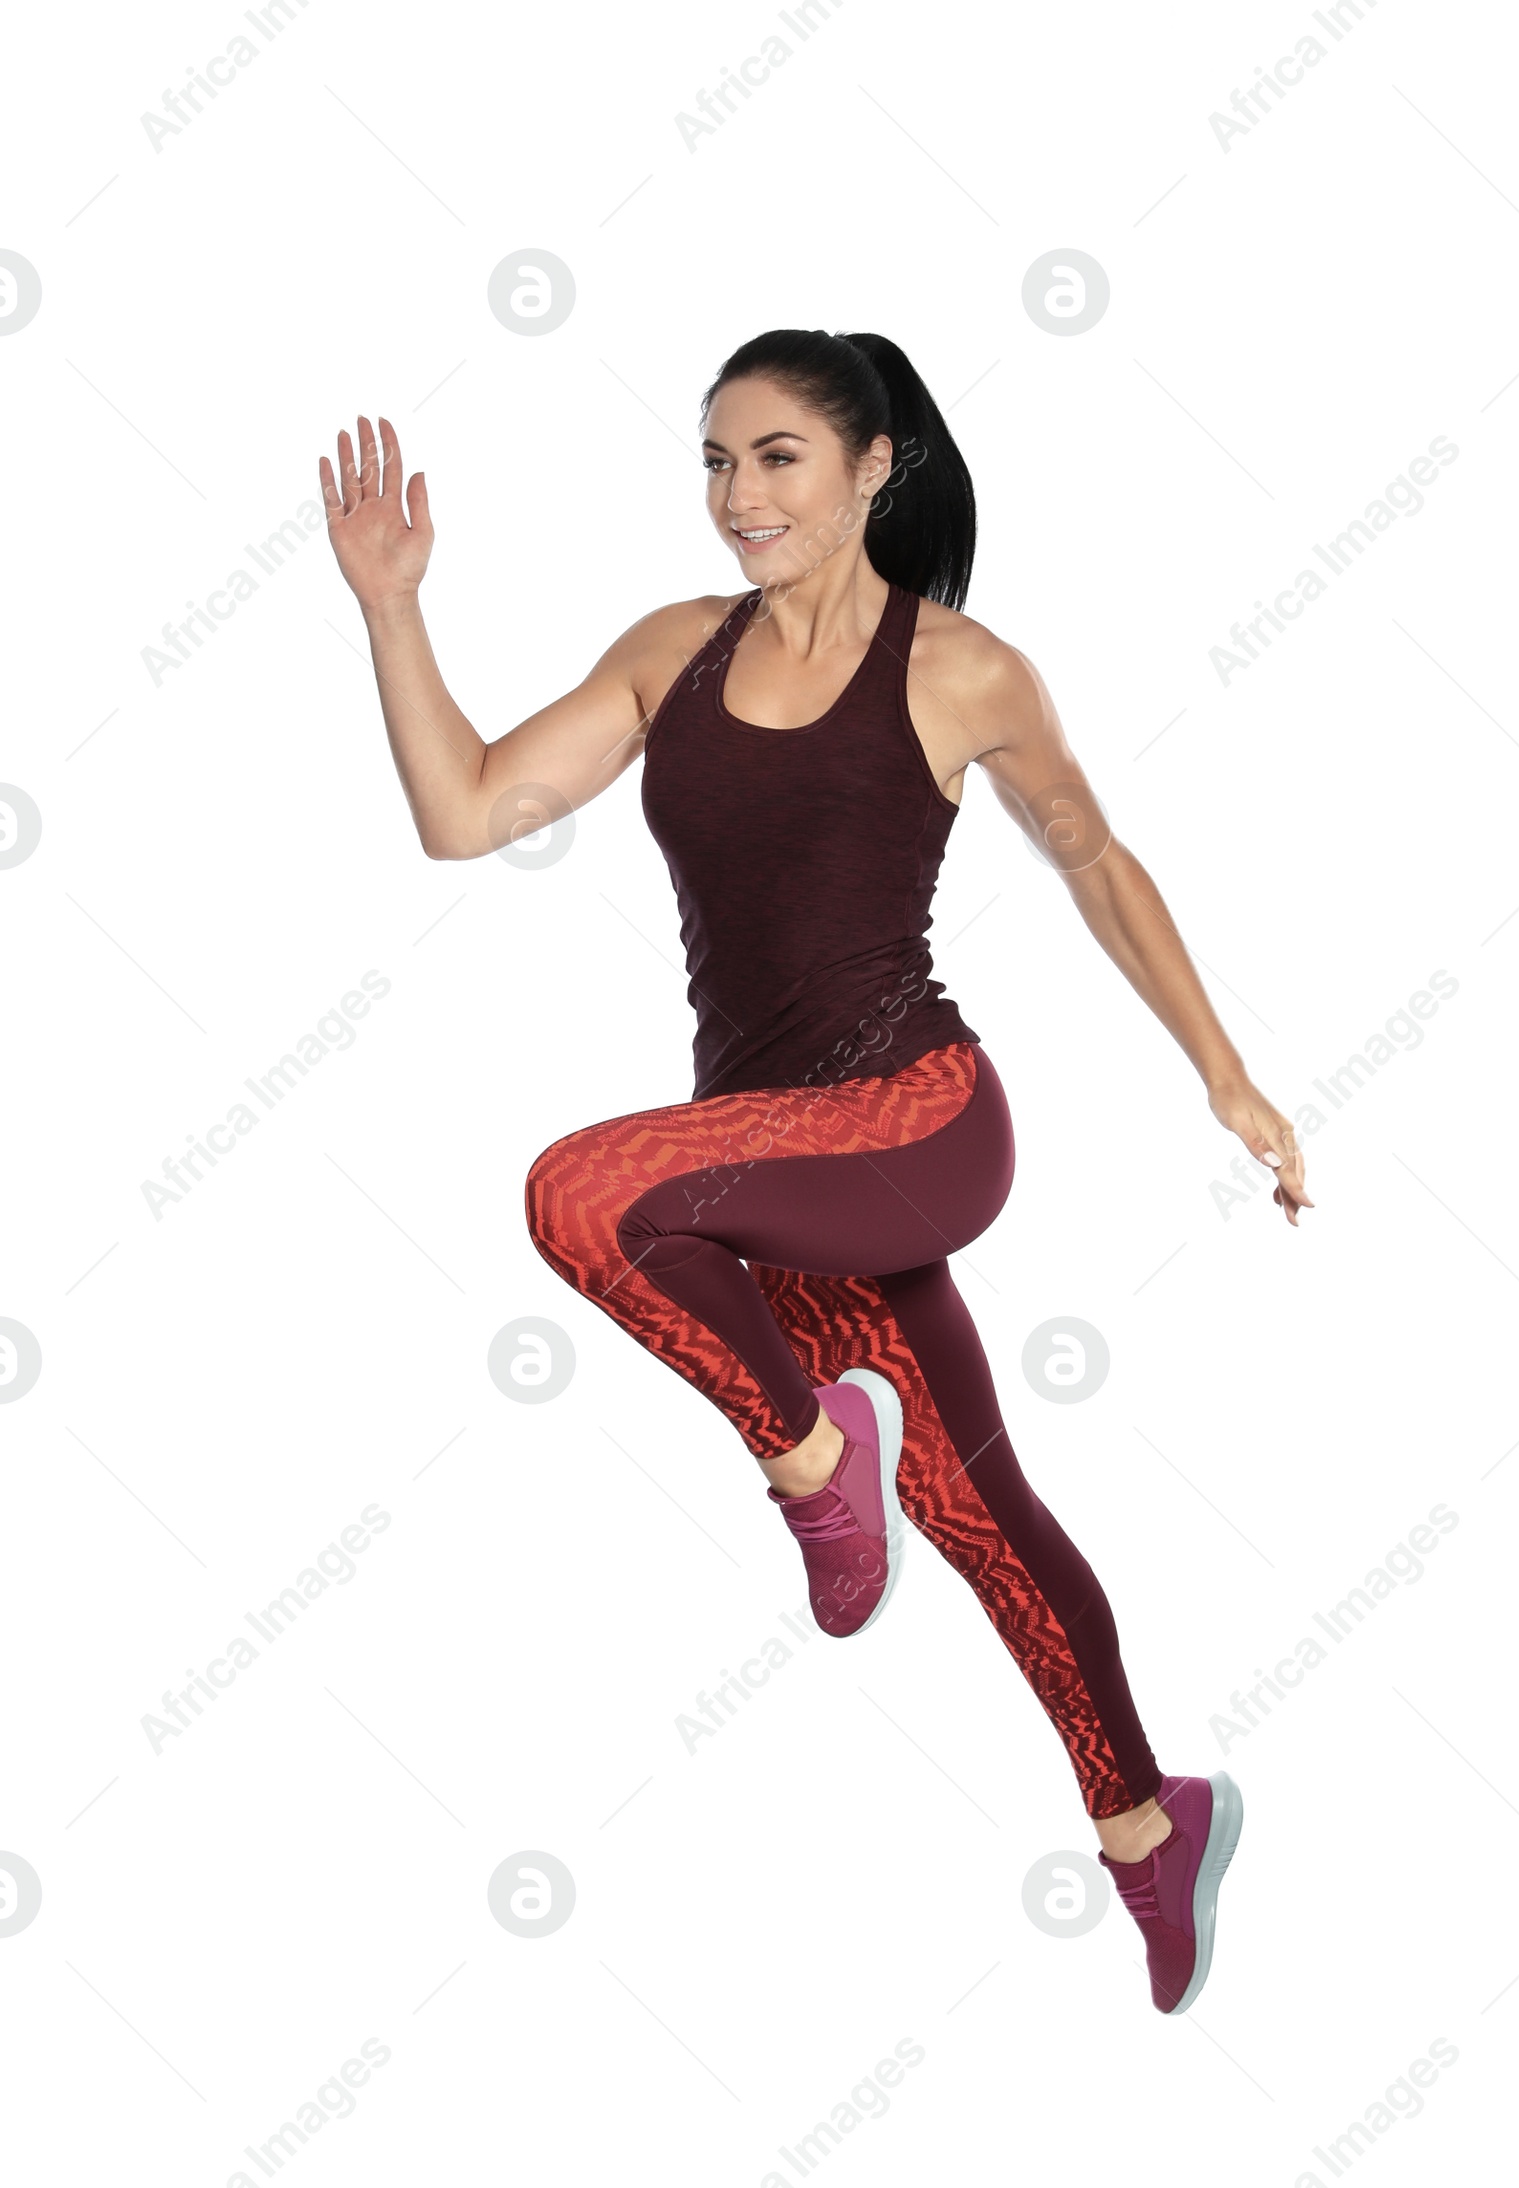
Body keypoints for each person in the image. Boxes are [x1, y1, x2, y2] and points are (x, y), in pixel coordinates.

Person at [318, 328, 1313, 2017]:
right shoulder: (670, 654)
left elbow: (1102, 866)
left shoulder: (964, 670)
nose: (737, 496)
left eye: (777, 456)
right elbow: (467, 809)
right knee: (983, 1512)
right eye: (715, 460)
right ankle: (1153, 1824)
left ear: (872, 468)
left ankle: (809, 1459)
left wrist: (1229, 1079)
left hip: (918, 1122)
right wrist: (393, 609)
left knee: (582, 1189)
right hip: (768, 1170)